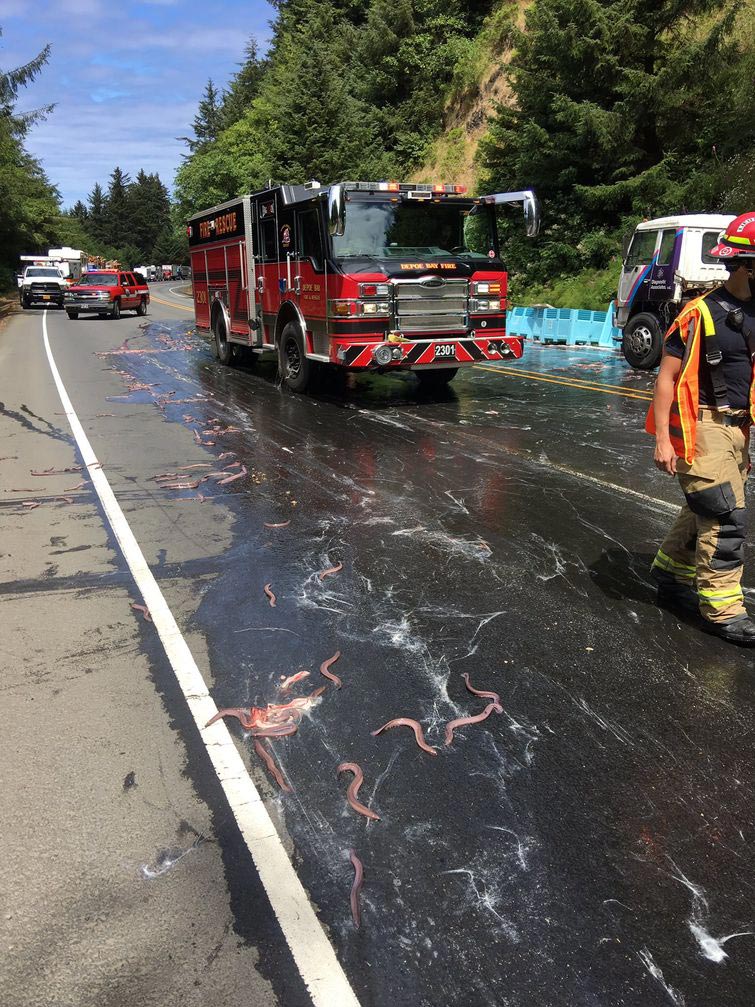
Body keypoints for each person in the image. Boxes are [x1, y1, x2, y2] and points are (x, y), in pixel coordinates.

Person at [647, 212, 755, 646]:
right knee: (725, 517)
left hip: (739, 429)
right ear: (747, 264)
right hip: (704, 427)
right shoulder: (700, 313)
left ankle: (673, 579)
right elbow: (666, 379)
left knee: (703, 510)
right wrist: (662, 440)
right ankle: (723, 610)